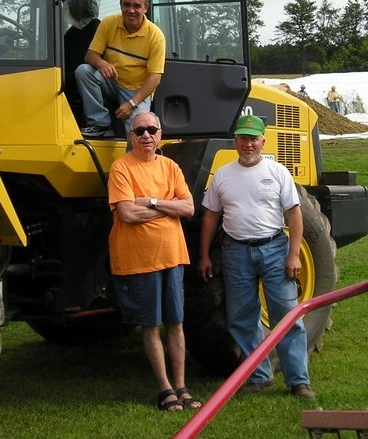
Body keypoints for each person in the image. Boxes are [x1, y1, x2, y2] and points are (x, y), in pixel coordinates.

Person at [197, 114, 316, 401]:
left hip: (274, 249)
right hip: (235, 251)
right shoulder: (223, 175)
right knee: (241, 317)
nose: (247, 144)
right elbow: (211, 216)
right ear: (235, 141)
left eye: (253, 139)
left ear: (263, 141)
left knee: (286, 315)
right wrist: (203, 255)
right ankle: (259, 376)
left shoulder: (277, 172)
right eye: (242, 138)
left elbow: (294, 215)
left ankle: (298, 381)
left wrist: (293, 255)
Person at [107, 110, 201, 411]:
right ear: (130, 136)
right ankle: (164, 388)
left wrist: (150, 201)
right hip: (139, 260)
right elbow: (126, 214)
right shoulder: (121, 168)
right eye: (140, 131)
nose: (146, 135)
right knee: (151, 324)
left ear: (160, 134)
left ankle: (182, 386)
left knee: (176, 322)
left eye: (152, 130)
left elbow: (188, 208)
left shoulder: (170, 166)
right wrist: (168, 207)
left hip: (172, 256)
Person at [75, 0, 166, 138]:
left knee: (140, 127)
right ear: (120, 5)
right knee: (83, 71)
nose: (131, 10)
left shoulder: (155, 36)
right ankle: (100, 124)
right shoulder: (108, 23)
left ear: (146, 7)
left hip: (137, 90)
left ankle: (133, 161)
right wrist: (102, 63)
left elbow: (155, 78)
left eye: (136, 6)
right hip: (112, 82)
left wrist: (131, 104)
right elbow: (90, 55)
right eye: (126, 5)